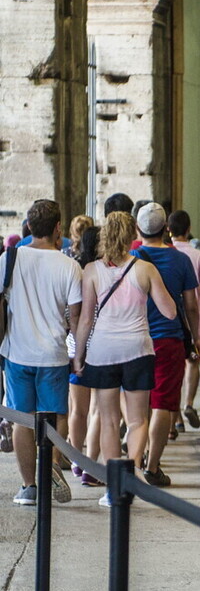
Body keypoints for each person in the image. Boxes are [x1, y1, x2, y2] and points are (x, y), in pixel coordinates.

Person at [73, 211, 176, 506]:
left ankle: (112, 487)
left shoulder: (92, 270)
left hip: (103, 351)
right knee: (137, 420)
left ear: (105, 235)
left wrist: (79, 357)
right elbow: (169, 311)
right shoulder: (145, 268)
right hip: (137, 349)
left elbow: (86, 320)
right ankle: (130, 480)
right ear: (133, 234)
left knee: (108, 421)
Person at [0, 199, 81, 506]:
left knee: (22, 419)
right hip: (54, 353)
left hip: (17, 352)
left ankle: (29, 486)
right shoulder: (70, 265)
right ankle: (52, 467)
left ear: (29, 227)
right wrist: (80, 353)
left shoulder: (9, 259)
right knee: (56, 415)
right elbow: (75, 319)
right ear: (58, 228)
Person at [133, 202, 200, 485]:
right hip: (168, 338)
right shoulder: (181, 260)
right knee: (161, 403)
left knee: (138, 401)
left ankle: (134, 460)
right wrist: (194, 337)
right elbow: (191, 306)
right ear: (166, 229)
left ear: (138, 229)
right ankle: (152, 465)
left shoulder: (132, 256)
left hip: (135, 336)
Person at [167, 209, 200, 432]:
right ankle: (189, 403)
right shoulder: (199, 256)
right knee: (192, 362)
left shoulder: (167, 253)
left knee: (173, 368)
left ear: (168, 229)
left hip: (172, 317)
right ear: (188, 229)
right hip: (193, 318)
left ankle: (175, 417)